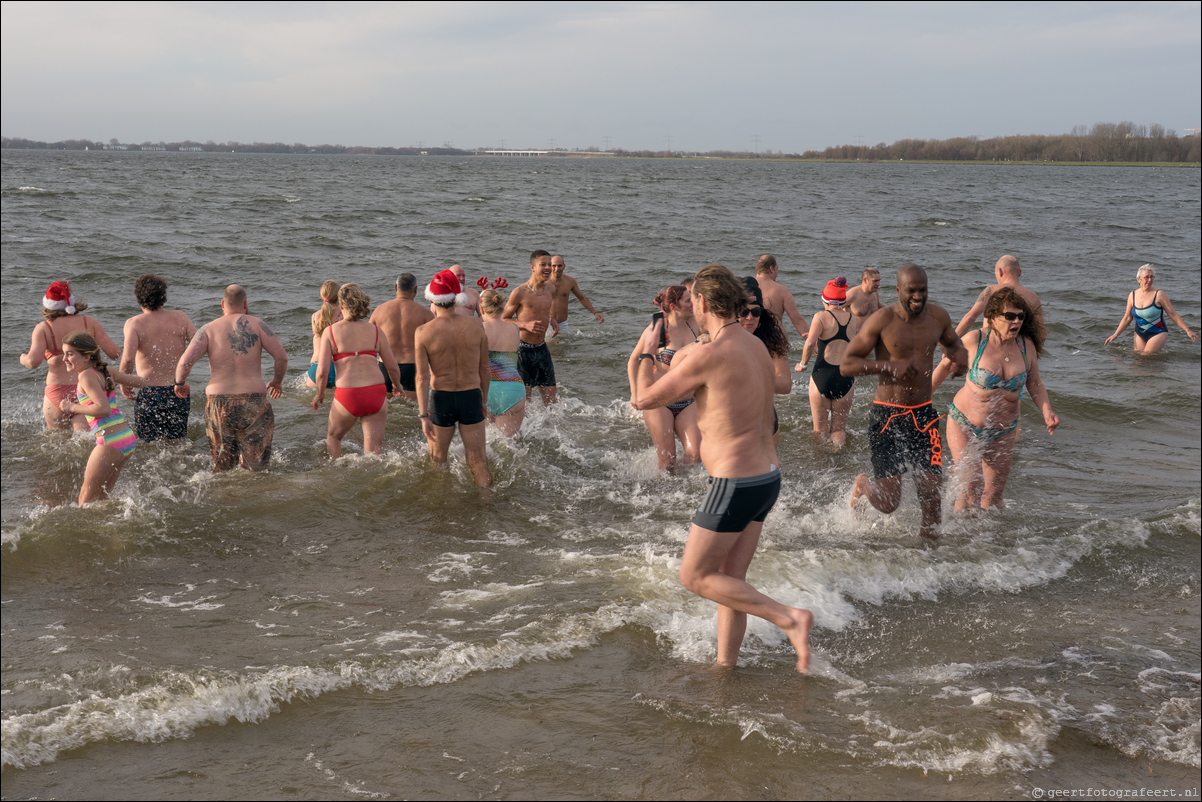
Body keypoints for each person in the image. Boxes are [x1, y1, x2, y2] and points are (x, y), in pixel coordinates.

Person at [632, 264, 812, 672]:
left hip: (736, 482)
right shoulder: (755, 348)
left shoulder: (710, 355)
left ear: (700, 301)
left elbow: (644, 400)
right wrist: (684, 357)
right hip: (767, 477)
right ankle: (725, 665)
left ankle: (790, 619)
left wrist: (647, 351)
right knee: (733, 581)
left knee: (694, 576)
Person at [842, 264, 968, 540]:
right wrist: (887, 367)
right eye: (911, 291)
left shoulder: (937, 316)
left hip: (923, 415)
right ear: (898, 290)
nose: (918, 296)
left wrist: (961, 358)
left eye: (923, 290)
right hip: (887, 416)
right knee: (889, 503)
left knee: (931, 494)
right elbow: (847, 364)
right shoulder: (882, 320)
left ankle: (930, 564)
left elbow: (954, 344)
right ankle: (863, 485)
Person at [941, 289, 1059, 510]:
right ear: (994, 318)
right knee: (971, 486)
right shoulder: (975, 339)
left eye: (1020, 316)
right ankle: (958, 539)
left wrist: (1047, 412)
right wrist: (919, 400)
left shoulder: (1026, 346)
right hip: (964, 423)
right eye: (1010, 316)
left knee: (994, 494)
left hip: (1003, 431)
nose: (1016, 321)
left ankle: (987, 541)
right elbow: (944, 367)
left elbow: (1034, 383)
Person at [174, 285, 288, 473]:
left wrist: (180, 383)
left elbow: (185, 362)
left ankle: (223, 500)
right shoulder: (258, 324)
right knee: (257, 468)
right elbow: (281, 357)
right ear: (245, 303)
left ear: (222, 304)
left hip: (219, 405)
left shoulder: (208, 328)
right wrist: (277, 381)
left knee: (222, 468)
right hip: (253, 402)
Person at [57, 331, 153, 504]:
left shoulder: (86, 376)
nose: (64, 359)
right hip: (126, 439)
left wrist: (71, 406)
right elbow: (141, 382)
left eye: (70, 354)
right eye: (64, 354)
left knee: (84, 500)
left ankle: (84, 530)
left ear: (86, 357)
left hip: (109, 441)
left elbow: (103, 409)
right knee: (102, 498)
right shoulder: (106, 371)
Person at [415, 269, 492, 487]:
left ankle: (441, 508)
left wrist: (423, 416)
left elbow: (421, 378)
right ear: (457, 296)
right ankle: (485, 508)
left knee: (437, 461)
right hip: (471, 395)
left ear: (432, 297)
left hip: (442, 399)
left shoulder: (423, 332)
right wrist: (483, 401)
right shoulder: (476, 325)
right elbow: (485, 369)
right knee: (478, 462)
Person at [311, 284, 401, 457]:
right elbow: (392, 366)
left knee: (333, 438)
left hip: (349, 394)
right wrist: (398, 386)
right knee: (374, 452)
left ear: (342, 306)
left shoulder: (331, 331)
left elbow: (322, 371)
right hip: (376, 392)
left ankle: (338, 475)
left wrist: (319, 394)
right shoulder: (375, 330)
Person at [20, 281, 119, 431]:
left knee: (56, 443)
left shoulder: (44, 328)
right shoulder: (89, 322)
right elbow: (114, 353)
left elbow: (33, 362)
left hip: (56, 393)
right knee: (86, 444)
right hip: (86, 389)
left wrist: (23, 358)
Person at [626, 285, 702, 471]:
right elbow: (634, 360)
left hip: (688, 401)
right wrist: (635, 394)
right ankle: (659, 488)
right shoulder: (659, 327)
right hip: (659, 401)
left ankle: (680, 485)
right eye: (687, 301)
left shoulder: (697, 325)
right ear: (674, 306)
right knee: (668, 462)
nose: (692, 304)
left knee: (696, 455)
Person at [119, 274, 197, 443]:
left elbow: (128, 359)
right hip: (178, 389)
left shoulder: (134, 323)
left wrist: (124, 382)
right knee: (178, 443)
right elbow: (198, 345)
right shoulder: (181, 318)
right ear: (163, 296)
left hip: (150, 392)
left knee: (150, 445)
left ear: (139, 298)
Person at [796, 277, 858, 448]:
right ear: (842, 301)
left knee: (820, 430)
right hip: (845, 377)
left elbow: (809, 343)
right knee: (839, 429)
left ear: (824, 300)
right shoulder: (853, 319)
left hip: (821, 376)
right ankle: (836, 458)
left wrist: (802, 364)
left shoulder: (821, 316)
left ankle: (821, 466)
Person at [503, 249, 560, 405]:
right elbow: (503, 319)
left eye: (549, 264)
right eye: (543, 264)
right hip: (523, 350)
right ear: (533, 267)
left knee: (551, 401)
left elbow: (542, 306)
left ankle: (550, 429)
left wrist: (550, 316)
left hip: (542, 349)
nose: (548, 268)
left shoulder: (551, 289)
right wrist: (524, 324)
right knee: (524, 402)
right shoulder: (519, 292)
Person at [742, 277, 791, 452]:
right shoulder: (719, 339)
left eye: (756, 313)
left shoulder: (771, 339)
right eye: (743, 312)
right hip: (729, 418)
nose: (750, 317)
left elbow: (785, 384)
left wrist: (751, 380)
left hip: (764, 416)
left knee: (768, 473)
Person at [1105, 264, 1198, 353]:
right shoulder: (1132, 295)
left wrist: (1188, 330)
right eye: (1146, 277)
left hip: (1158, 332)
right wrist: (1115, 335)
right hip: (1139, 333)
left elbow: (1172, 314)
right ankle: (1160, 367)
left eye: (1152, 277)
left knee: (1146, 355)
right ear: (1139, 279)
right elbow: (1127, 318)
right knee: (1138, 361)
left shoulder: (1159, 294)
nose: (1150, 280)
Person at [369, 272, 433, 401]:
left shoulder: (379, 311)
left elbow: (367, 340)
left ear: (395, 287)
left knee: (386, 412)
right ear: (415, 289)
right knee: (412, 413)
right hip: (412, 368)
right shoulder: (425, 313)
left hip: (385, 366)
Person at [955, 255, 1044, 337]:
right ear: (1020, 272)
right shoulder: (1033, 296)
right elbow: (1042, 334)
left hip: (994, 347)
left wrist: (950, 344)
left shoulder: (991, 290)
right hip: (1022, 349)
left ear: (1000, 271)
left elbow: (970, 318)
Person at [479, 289, 526, 437]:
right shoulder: (515, 329)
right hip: (513, 391)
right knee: (508, 448)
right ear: (502, 307)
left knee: (483, 446)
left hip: (484, 391)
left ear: (481, 309)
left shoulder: (478, 329)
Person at [754, 254, 809, 338]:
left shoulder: (744, 287)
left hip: (751, 338)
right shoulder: (782, 290)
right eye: (777, 269)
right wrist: (813, 343)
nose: (777, 273)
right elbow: (797, 320)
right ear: (771, 269)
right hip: (775, 339)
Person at [549, 254, 604, 335]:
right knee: (550, 346)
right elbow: (536, 302)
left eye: (559, 266)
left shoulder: (570, 281)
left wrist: (594, 312)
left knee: (566, 346)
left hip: (563, 323)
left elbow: (581, 298)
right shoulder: (544, 282)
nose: (557, 269)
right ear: (550, 266)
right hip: (547, 322)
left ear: (564, 266)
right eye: (554, 266)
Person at [304, 280, 340, 389]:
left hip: (315, 367)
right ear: (339, 296)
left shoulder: (315, 316)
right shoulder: (342, 315)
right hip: (335, 366)